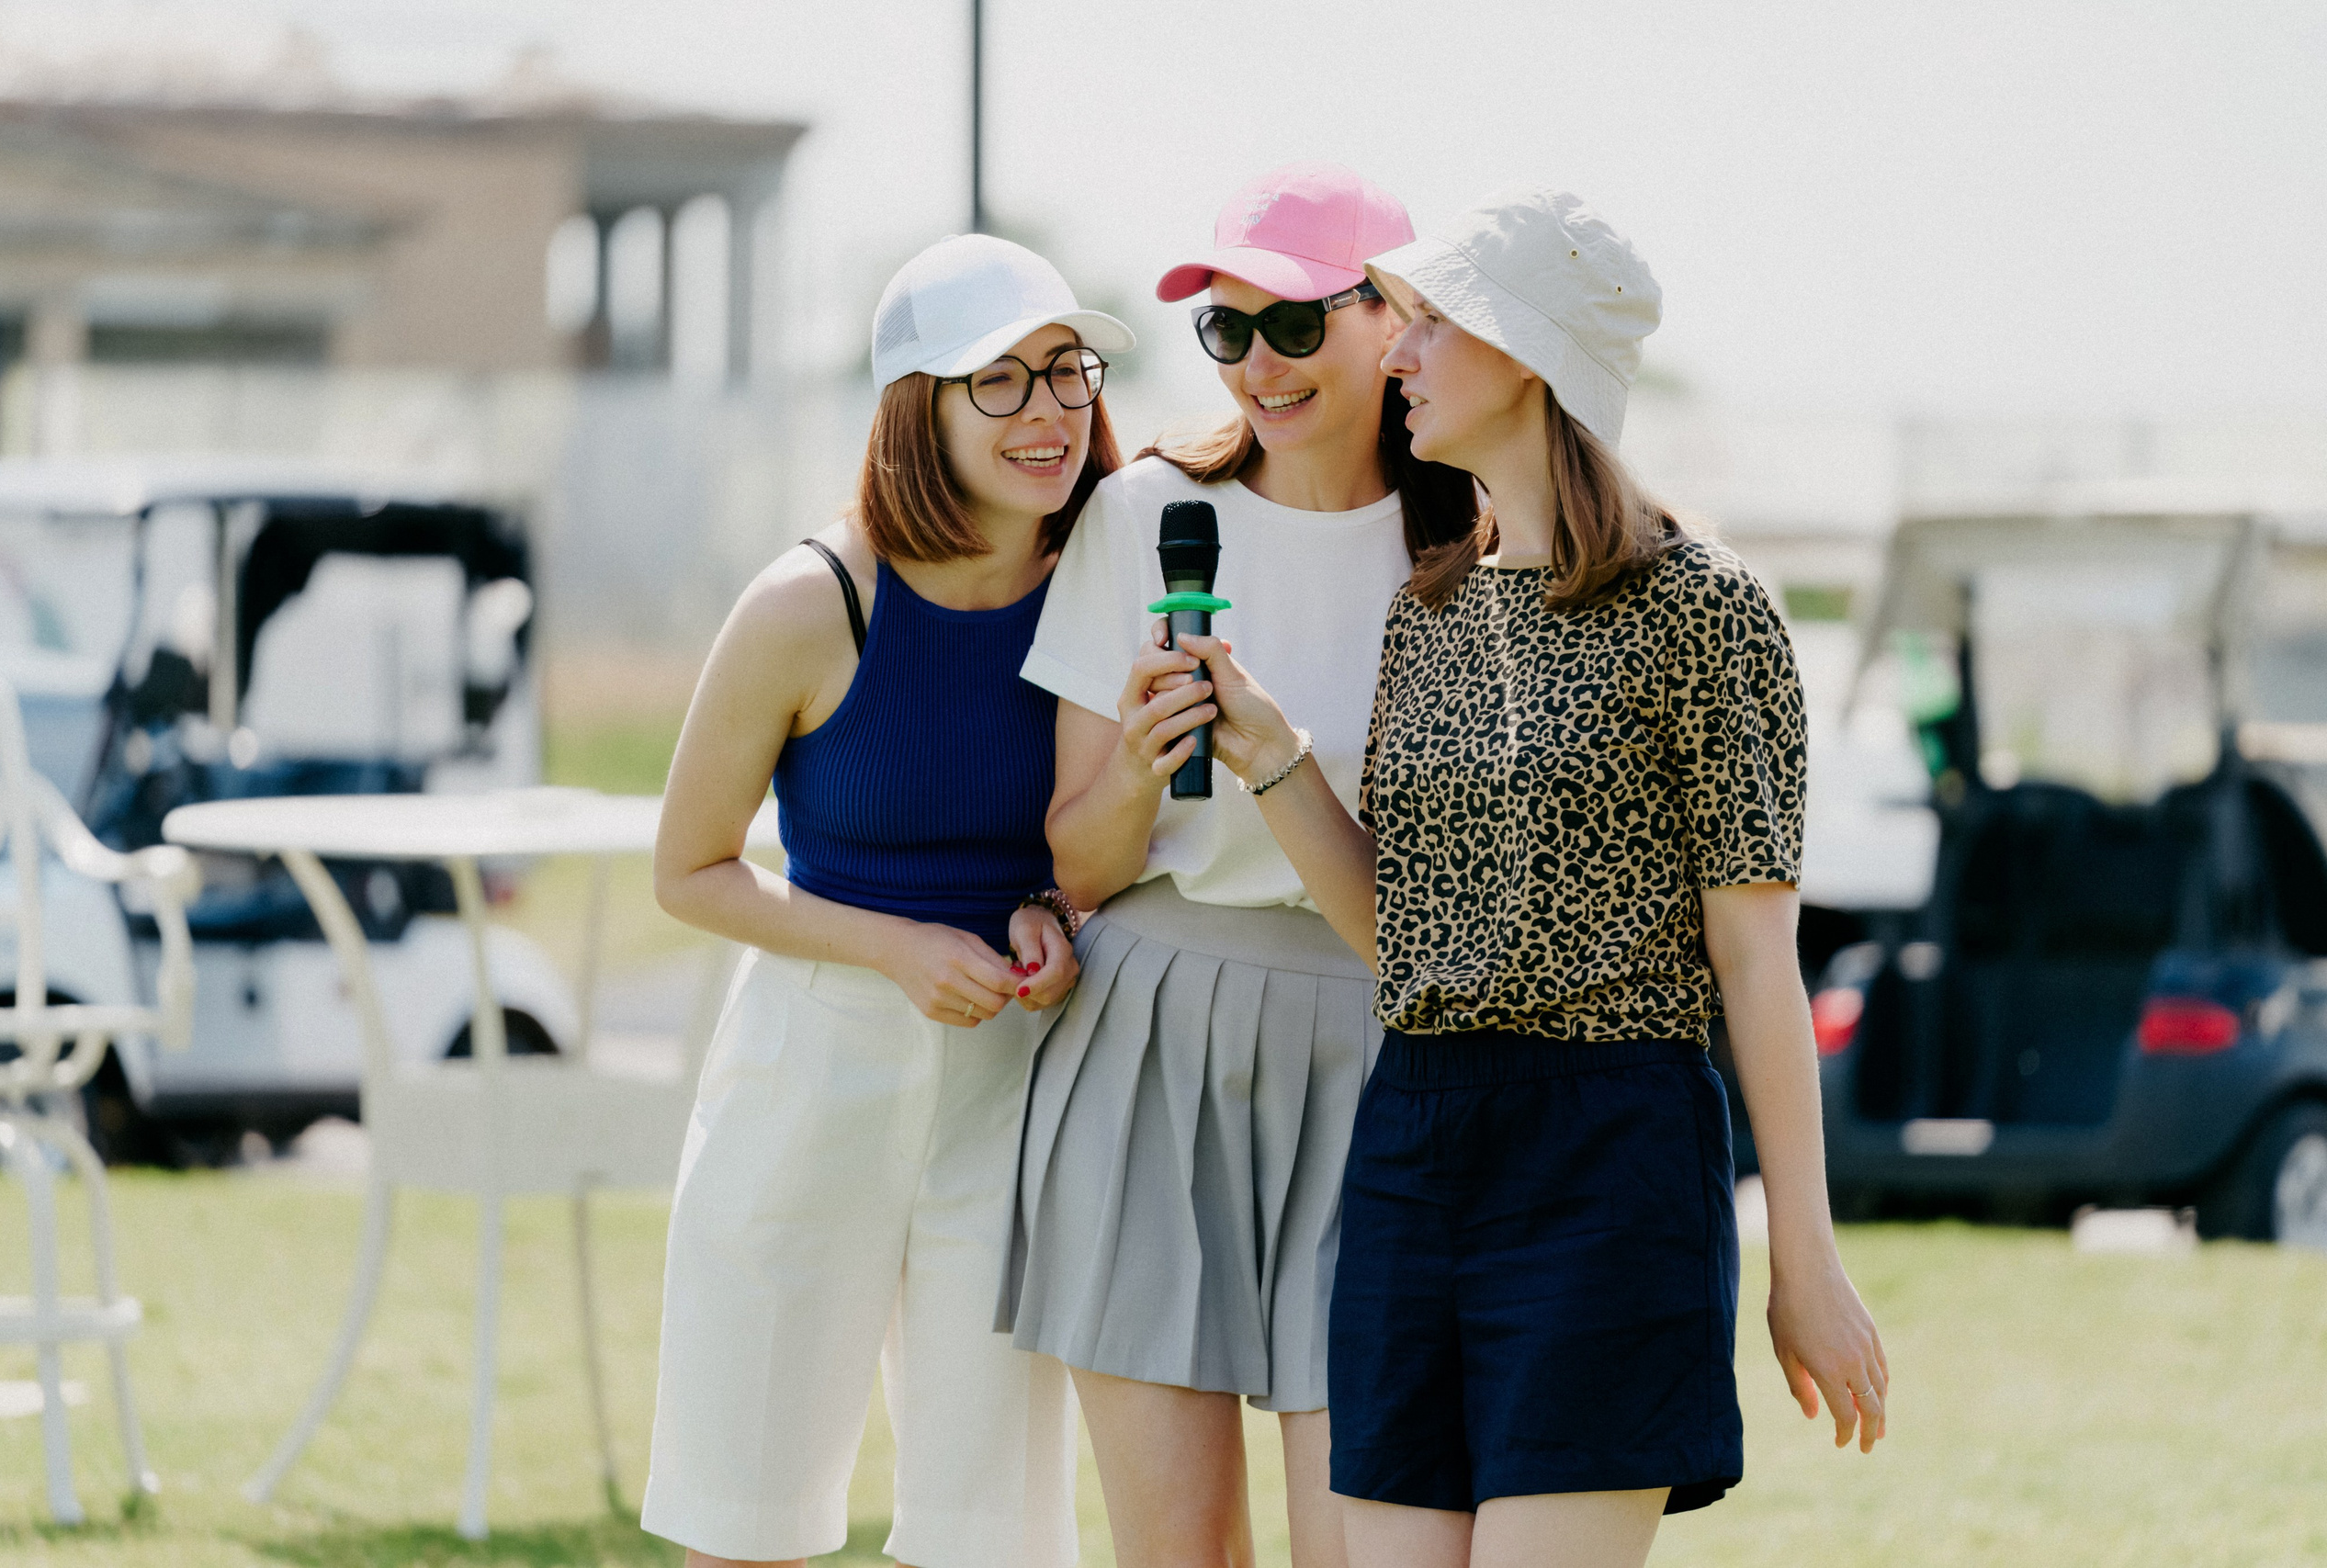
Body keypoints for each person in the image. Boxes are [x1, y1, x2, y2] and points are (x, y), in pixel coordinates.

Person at [1168, 186, 1891, 1568]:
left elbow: (1756, 962)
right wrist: (1272, 760)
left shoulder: (1707, 608)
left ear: (1531, 356)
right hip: (1414, 1145)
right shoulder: (1428, 603)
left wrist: (1805, 1258)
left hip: (1610, 1154)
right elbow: (1406, 931)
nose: (1394, 354)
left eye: (1430, 325)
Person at [996, 163, 1478, 1568]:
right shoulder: (1142, 516)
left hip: (1381, 1060)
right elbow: (1078, 867)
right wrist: (1143, 766)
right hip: (1148, 1050)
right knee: (1179, 1552)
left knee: (1361, 1542)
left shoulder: (1469, 545)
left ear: (1398, 321)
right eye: (1227, 330)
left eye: (1294, 326)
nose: (1256, 367)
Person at [642, 233, 1130, 1568]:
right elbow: (688, 870)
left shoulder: (1101, 585)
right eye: (1003, 381)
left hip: (1012, 1079)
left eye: (1068, 371)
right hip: (811, 1069)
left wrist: (1043, 912)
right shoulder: (811, 602)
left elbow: (1095, 836)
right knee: (745, 1514)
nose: (1053, 412)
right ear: (917, 407)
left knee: (992, 1532)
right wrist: (896, 948)